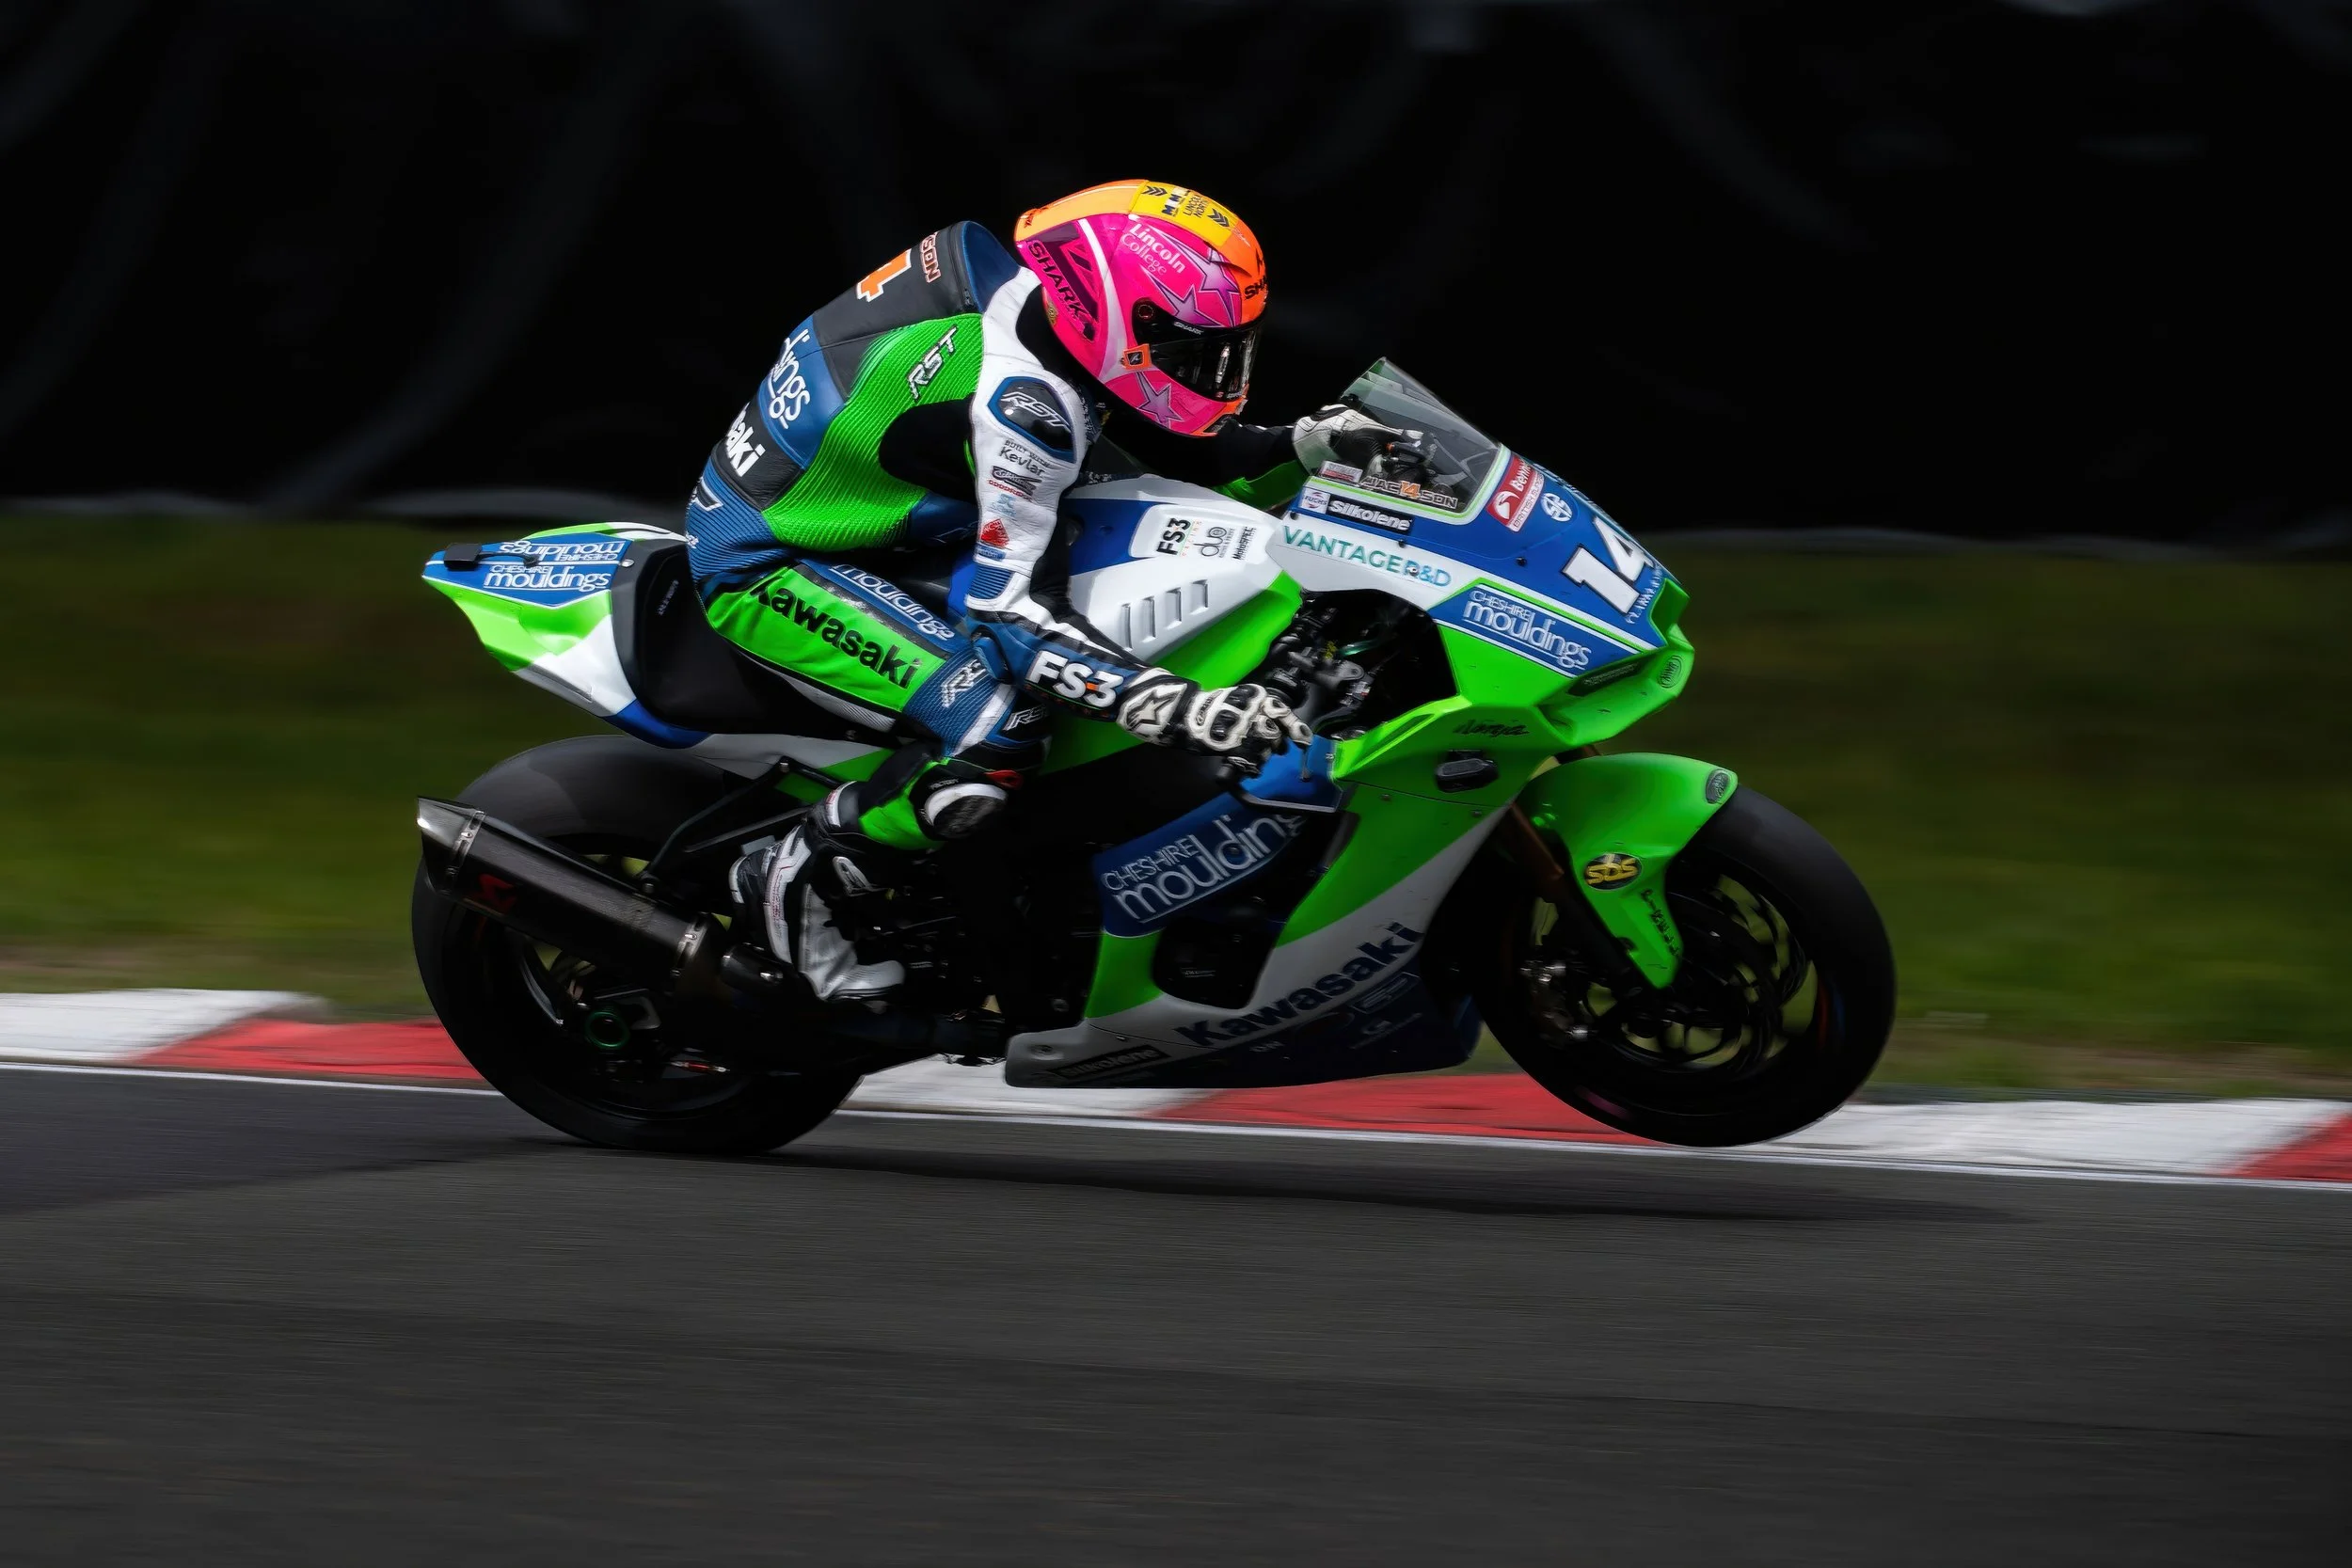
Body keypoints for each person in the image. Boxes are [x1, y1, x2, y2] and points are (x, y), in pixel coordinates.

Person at [686, 180, 1399, 997]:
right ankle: (797, 872)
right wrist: (1174, 704)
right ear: (1111, 314)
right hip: (771, 559)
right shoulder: (1023, 406)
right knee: (1001, 724)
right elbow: (1008, 616)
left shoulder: (1046, 310)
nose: (1208, 372)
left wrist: (1311, 446)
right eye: (1186, 348)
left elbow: (1172, 448)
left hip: (886, 510)